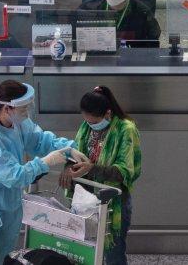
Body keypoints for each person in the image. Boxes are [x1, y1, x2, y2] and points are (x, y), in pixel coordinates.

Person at [0, 80, 84, 265]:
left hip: (7, 203)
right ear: (6, 109)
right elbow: (14, 176)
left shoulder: (17, 122)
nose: (26, 114)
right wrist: (46, 162)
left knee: (2, 256)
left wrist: (66, 148)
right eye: (23, 110)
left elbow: (38, 140)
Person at [60, 85, 141, 265]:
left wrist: (91, 168)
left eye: (95, 122)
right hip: (85, 199)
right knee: (85, 251)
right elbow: (76, 152)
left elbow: (125, 172)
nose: (91, 126)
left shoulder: (125, 129)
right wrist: (69, 166)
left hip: (112, 202)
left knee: (113, 253)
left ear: (108, 114)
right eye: (87, 121)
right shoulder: (87, 126)